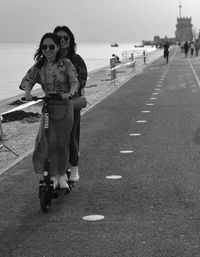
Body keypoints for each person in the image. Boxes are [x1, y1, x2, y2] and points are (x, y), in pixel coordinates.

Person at [19, 32, 79, 189]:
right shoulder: (39, 66)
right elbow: (28, 80)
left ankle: (62, 176)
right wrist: (27, 94)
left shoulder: (66, 63)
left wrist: (70, 94)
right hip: (48, 108)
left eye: (51, 46)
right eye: (44, 47)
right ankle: (52, 175)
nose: (48, 50)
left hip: (65, 108)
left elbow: (74, 82)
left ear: (58, 47)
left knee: (62, 142)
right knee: (46, 141)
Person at [53, 26, 87, 182]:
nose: (62, 40)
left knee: (71, 135)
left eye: (66, 37)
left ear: (70, 40)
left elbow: (82, 80)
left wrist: (69, 92)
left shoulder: (76, 59)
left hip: (72, 103)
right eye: (59, 38)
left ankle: (74, 167)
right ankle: (58, 171)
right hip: (55, 104)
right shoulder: (49, 58)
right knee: (55, 138)